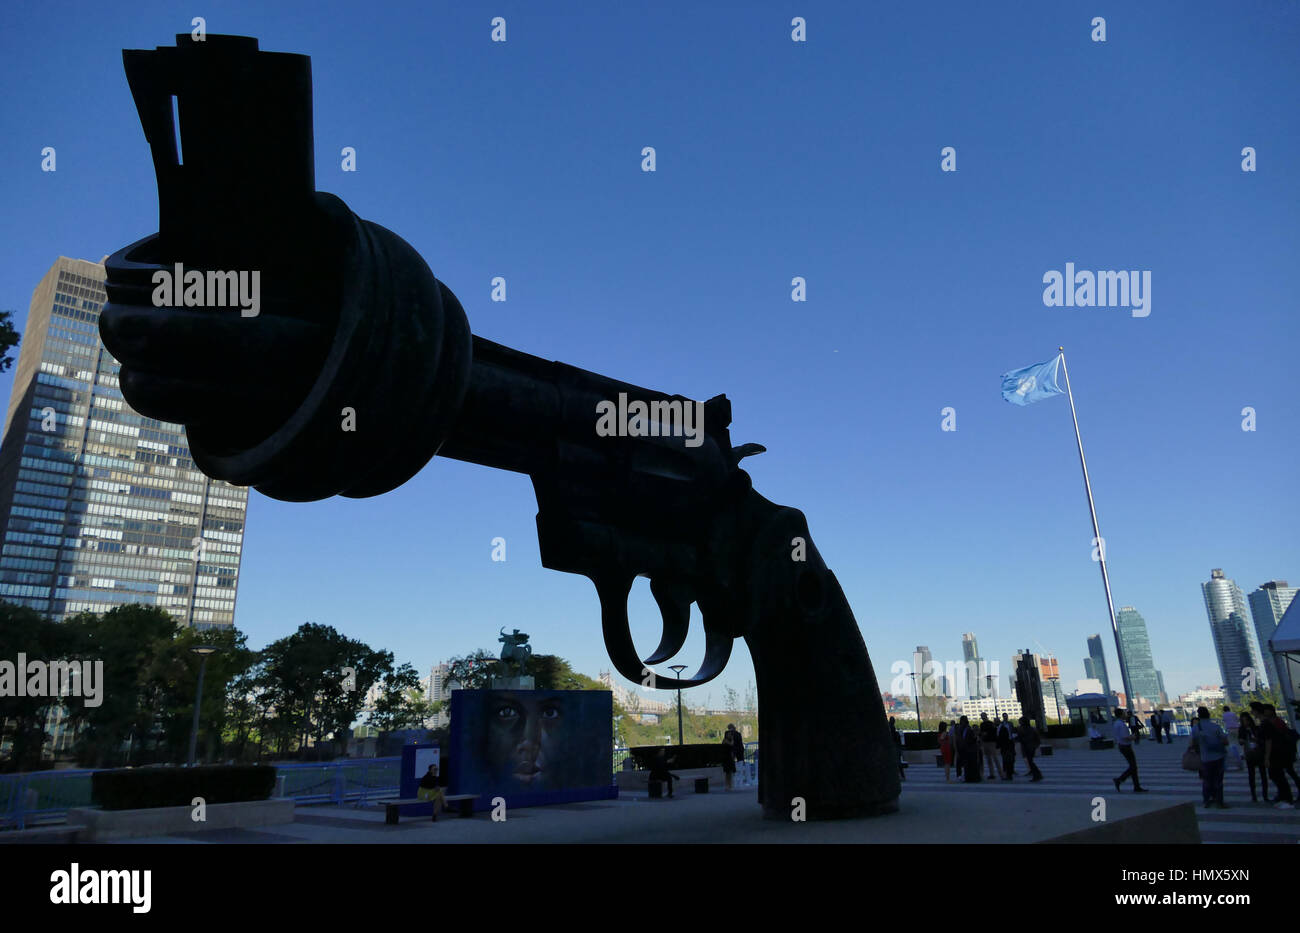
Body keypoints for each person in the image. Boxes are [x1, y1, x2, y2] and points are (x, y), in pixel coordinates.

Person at [1261, 705, 1299, 808]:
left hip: (1282, 752)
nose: (1264, 713)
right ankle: (1283, 796)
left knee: (1283, 774)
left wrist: (1267, 757)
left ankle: (1287, 797)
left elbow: (1272, 739)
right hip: (1283, 752)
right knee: (1285, 773)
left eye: (1266, 711)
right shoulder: (1275, 721)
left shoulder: (1276, 722)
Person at [1189, 706, 1228, 808]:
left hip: (1205, 758)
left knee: (1206, 780)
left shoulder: (1196, 728)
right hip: (1219, 756)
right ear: (1209, 714)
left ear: (1199, 716)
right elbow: (1225, 741)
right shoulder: (1216, 726)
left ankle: (1207, 800)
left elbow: (1192, 744)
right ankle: (1219, 801)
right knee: (1218, 780)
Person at [1111, 709, 1148, 792]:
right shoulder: (1121, 724)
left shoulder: (1116, 723)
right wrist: (1133, 737)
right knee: (1133, 767)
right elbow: (1125, 737)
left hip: (1122, 746)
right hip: (1125, 746)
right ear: (1121, 715)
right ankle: (1119, 780)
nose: (1126, 715)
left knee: (1133, 767)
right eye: (1124, 713)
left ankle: (1136, 786)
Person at [1238, 711, 1270, 804]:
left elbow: (1263, 739)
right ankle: (1254, 796)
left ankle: (1265, 795)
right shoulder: (1242, 730)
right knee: (1251, 775)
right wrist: (1243, 740)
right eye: (1243, 720)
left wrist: (1256, 740)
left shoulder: (1256, 728)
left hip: (1259, 753)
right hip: (1249, 754)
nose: (1245, 722)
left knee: (1263, 774)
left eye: (1246, 720)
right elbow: (1240, 741)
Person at [1018, 716, 1042, 781]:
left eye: (1020, 721)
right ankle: (1037, 774)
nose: (1019, 723)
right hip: (1031, 747)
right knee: (1030, 761)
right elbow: (1037, 739)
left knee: (1030, 762)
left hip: (1027, 747)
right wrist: (1036, 745)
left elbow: (1021, 738)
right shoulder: (1032, 729)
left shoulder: (1022, 729)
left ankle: (1037, 775)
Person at [996, 713, 1017, 780]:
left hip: (1010, 742)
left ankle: (1010, 771)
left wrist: (1013, 738)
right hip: (1005, 744)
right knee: (1006, 758)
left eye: (1006, 716)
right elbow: (998, 734)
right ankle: (1007, 772)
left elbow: (1013, 731)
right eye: (1004, 716)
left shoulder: (1010, 724)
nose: (1005, 717)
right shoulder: (1001, 725)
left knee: (1011, 757)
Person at [979, 713, 998, 779]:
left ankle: (1000, 773)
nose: (983, 717)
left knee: (995, 759)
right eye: (982, 716)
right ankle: (992, 773)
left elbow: (994, 732)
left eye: (983, 716)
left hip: (991, 742)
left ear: (986, 716)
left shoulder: (990, 723)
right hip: (986, 742)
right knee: (989, 759)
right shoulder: (982, 724)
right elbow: (981, 733)